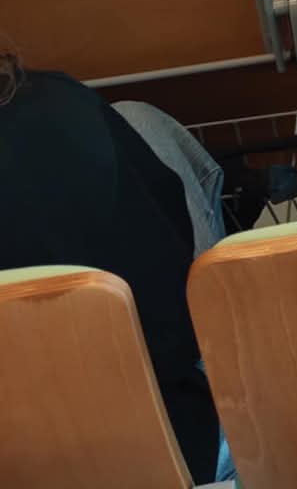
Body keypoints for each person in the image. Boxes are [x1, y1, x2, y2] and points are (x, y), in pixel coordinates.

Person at [0, 49, 223, 484]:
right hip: (173, 448)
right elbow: (172, 314)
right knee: (139, 118)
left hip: (20, 465)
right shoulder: (57, 101)